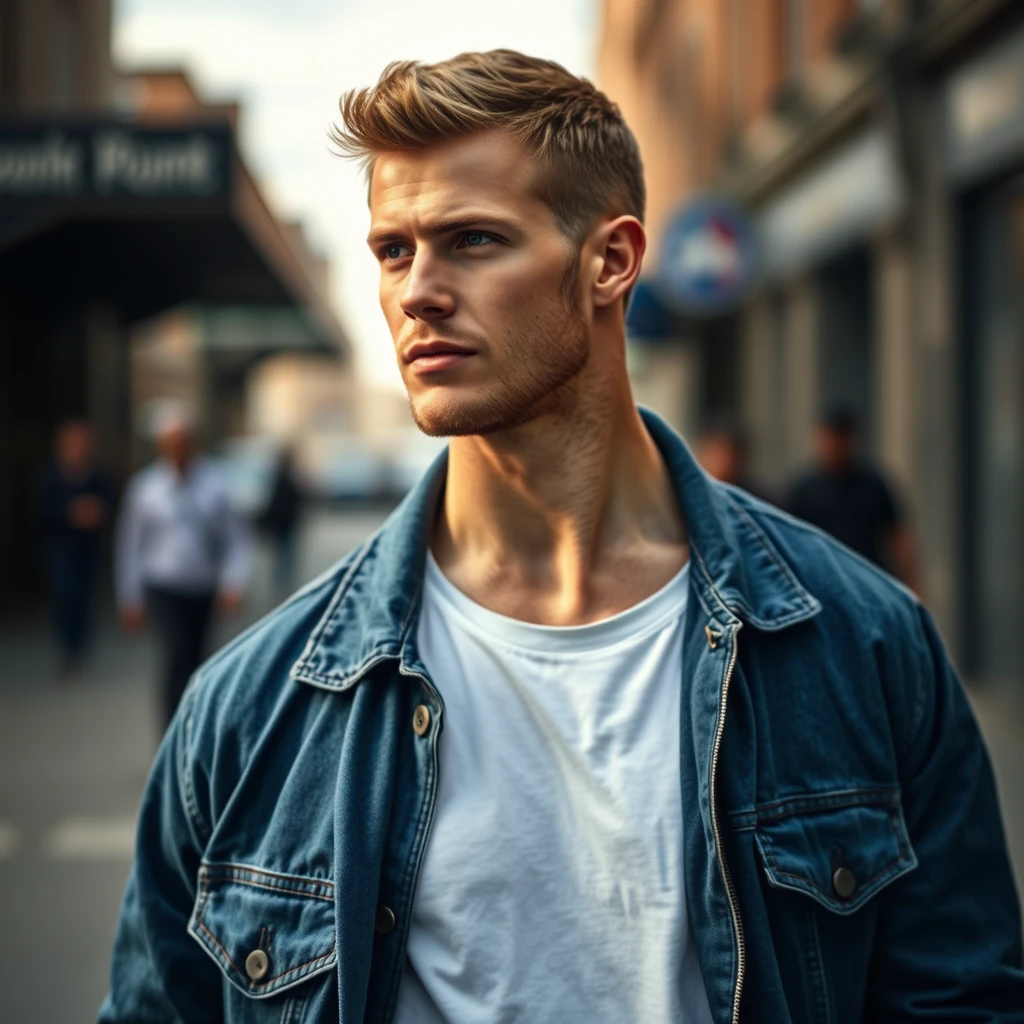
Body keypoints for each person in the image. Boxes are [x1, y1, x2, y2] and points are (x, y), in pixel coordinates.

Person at [100, 51, 1023, 1024]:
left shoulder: (862, 647)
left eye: (471, 239)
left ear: (611, 261)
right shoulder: (249, 710)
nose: (417, 292)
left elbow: (960, 1001)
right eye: (392, 250)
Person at [114, 408, 251, 730]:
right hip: (164, 586)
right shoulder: (145, 488)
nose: (179, 449)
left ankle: (195, 729)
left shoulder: (215, 484)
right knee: (175, 656)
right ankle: (169, 732)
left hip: (202, 586)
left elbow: (236, 538)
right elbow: (130, 546)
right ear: (162, 446)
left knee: (199, 659)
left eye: (184, 442)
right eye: (172, 443)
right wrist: (129, 597)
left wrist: (234, 582)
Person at [788, 408, 921, 591]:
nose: (834, 446)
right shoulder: (804, 490)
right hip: (821, 585)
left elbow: (897, 535)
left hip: (869, 580)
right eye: (828, 438)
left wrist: (913, 583)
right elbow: (790, 543)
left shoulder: (873, 484)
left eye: (840, 439)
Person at [37, 419, 113, 677]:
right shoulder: (51, 476)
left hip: (88, 548)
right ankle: (67, 647)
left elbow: (110, 504)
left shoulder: (98, 474)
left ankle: (79, 647)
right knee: (64, 594)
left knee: (83, 597)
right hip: (62, 547)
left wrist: (95, 512)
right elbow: (39, 512)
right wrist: (70, 513)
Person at [257, 445, 305, 595]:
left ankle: (282, 580)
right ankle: (283, 580)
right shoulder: (287, 478)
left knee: (283, 553)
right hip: (286, 522)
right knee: (285, 553)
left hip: (283, 522)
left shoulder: (279, 478)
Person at [694, 416, 773, 503]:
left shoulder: (754, 499)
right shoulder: (692, 492)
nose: (713, 462)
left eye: (723, 455)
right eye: (710, 452)